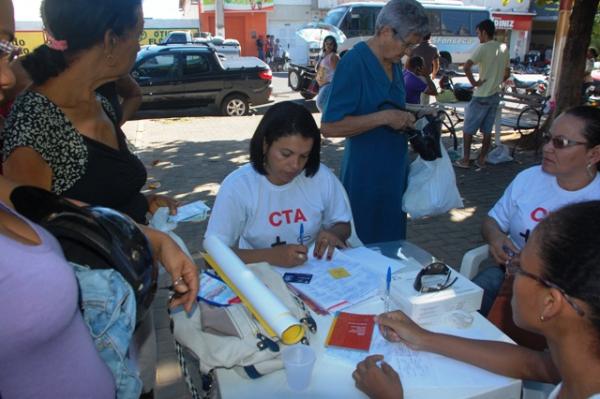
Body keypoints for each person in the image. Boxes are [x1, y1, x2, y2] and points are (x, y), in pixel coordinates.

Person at [0, 1, 198, 396]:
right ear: (110, 40)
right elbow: (40, 220)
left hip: (132, 304)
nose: (141, 45)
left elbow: (90, 190)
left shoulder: (102, 99)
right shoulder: (37, 124)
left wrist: (141, 206)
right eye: (138, 34)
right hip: (90, 326)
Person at [354, 200, 600, 399]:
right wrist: (423, 338)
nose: (510, 272)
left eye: (521, 268)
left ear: (550, 302)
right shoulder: (578, 366)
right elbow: (533, 364)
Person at [471, 105, 600, 348]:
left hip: (566, 300)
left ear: (593, 155)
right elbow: (491, 221)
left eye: (560, 142)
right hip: (508, 277)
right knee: (461, 307)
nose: (547, 148)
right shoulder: (529, 179)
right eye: (548, 138)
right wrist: (496, 238)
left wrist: (536, 269)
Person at [321, 0, 429, 244]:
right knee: (363, 248)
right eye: (407, 44)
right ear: (385, 31)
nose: (408, 52)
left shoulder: (394, 64)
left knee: (391, 247)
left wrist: (418, 112)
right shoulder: (354, 63)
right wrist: (385, 118)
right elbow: (329, 127)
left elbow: (389, 105)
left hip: (394, 174)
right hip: (365, 177)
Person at [206, 101, 352, 267]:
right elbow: (212, 255)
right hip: (260, 279)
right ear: (265, 145)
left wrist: (334, 234)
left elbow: (343, 225)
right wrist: (270, 256)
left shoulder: (321, 177)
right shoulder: (238, 186)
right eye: (286, 154)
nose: (295, 165)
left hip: (316, 271)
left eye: (304, 156)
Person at [454, 19, 510, 170]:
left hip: (481, 94)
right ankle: (482, 160)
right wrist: (497, 80)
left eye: (478, 33)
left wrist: (474, 83)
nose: (478, 36)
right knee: (487, 131)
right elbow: (507, 72)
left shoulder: (483, 47)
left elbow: (466, 67)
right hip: (495, 95)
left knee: (468, 129)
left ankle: (465, 160)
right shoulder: (503, 47)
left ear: (485, 32)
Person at [410, 33, 439, 104]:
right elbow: (436, 64)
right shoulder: (434, 48)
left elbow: (408, 64)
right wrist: (434, 74)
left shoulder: (414, 48)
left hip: (414, 77)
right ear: (429, 37)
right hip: (426, 78)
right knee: (424, 102)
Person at [315, 35, 340, 113]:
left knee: (320, 104)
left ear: (334, 45)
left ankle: (329, 121)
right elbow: (317, 69)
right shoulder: (323, 55)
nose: (328, 46)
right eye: (327, 43)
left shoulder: (333, 56)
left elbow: (338, 73)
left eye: (331, 44)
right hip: (322, 85)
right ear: (324, 44)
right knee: (323, 106)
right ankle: (329, 122)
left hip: (329, 85)